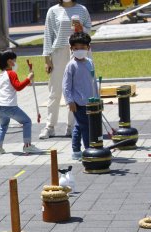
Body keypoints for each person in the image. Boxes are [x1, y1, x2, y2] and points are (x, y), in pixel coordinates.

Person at [40, 0, 91, 139]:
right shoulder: (53, 11)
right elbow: (48, 35)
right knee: (55, 90)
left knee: (76, 89)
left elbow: (89, 30)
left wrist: (81, 28)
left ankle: (72, 126)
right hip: (59, 52)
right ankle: (50, 127)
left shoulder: (82, 9)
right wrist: (47, 58)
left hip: (77, 51)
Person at [0, 50, 39, 155]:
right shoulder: (12, 73)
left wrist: (27, 81)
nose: (15, 63)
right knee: (27, 121)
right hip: (9, 106)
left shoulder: (1, 75)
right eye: (14, 60)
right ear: (9, 61)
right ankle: (27, 146)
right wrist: (28, 79)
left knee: (3, 125)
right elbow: (18, 87)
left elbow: (13, 86)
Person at [63, 32, 97, 161]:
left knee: (79, 126)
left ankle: (76, 150)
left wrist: (97, 98)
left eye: (82, 47)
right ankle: (89, 150)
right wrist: (69, 101)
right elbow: (66, 85)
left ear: (88, 48)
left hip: (90, 102)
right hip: (78, 103)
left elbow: (93, 82)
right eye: (76, 48)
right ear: (71, 49)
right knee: (86, 127)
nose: (79, 50)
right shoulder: (71, 65)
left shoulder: (90, 62)